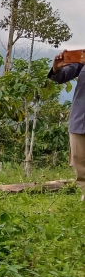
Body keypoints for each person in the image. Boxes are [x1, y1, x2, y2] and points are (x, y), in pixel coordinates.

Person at [49, 50, 85, 201]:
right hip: (80, 119)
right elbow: (61, 77)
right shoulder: (82, 58)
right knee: (79, 160)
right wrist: (57, 67)